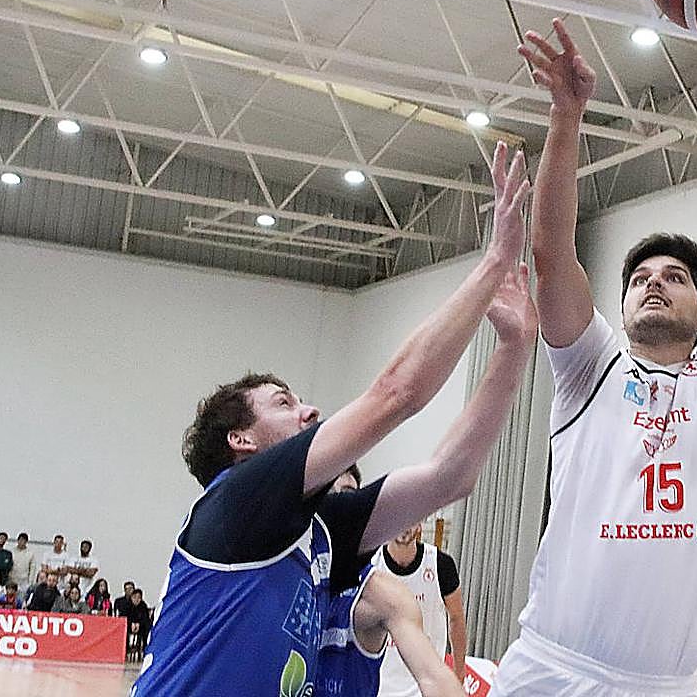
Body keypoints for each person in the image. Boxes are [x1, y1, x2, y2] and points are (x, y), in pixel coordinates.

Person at [132, 145, 538, 697]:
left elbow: (450, 477)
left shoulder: (319, 529)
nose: (309, 410)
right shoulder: (241, 496)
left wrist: (514, 347)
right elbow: (397, 392)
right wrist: (494, 262)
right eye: (282, 403)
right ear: (242, 440)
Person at [495, 0, 697, 697]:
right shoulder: (588, 368)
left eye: (675, 279)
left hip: (662, 684)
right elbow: (551, 251)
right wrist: (567, 118)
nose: (654, 284)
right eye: (639, 279)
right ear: (621, 307)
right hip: (552, 670)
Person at [315, 468, 464, 697]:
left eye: (345, 497)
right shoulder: (281, 578)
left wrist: (459, 675)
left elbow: (433, 673)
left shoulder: (383, 593)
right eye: (329, 498)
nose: (336, 509)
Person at [374, 523, 467, 696]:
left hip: (425, 688)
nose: (404, 524)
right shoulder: (371, 563)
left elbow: (456, 618)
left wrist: (459, 673)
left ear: (420, 522)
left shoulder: (440, 564)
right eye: (399, 518)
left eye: (411, 516)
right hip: (379, 687)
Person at [8, 533, 37, 600]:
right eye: (20, 540)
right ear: (17, 540)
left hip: (24, 582)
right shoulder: (11, 552)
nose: (22, 542)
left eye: (24, 540)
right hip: (12, 580)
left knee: (21, 600)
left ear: (26, 542)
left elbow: (32, 569)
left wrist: (30, 583)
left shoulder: (30, 553)